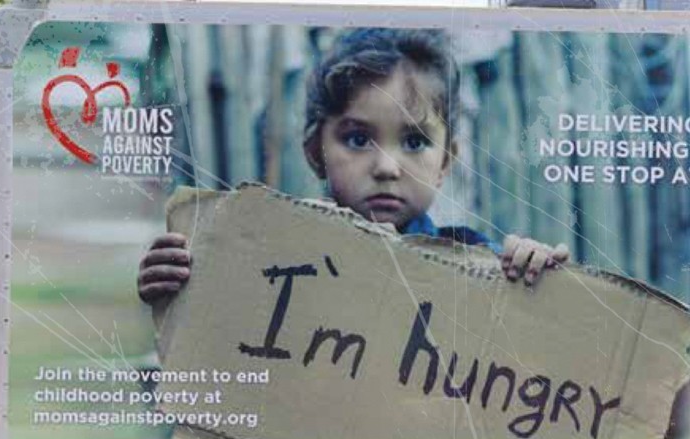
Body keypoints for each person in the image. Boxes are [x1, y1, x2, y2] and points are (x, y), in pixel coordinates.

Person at [137, 28, 569, 304]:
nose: (386, 167)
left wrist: (532, 269)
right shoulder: (273, 252)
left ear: (446, 162)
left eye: (415, 141)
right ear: (314, 151)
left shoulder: (473, 259)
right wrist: (173, 284)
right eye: (359, 139)